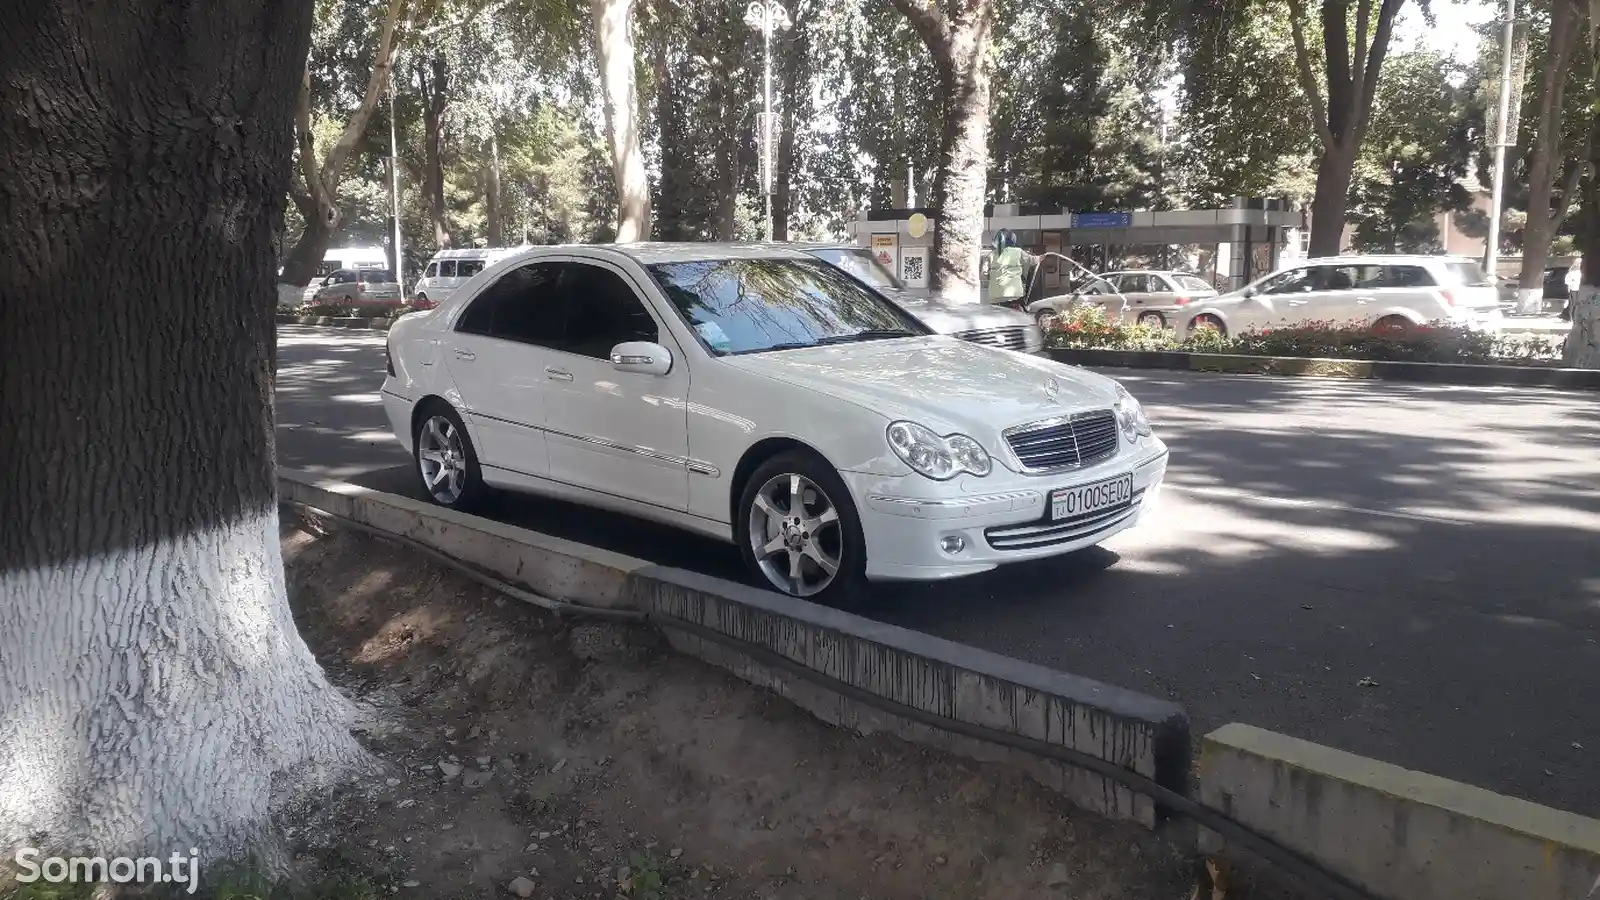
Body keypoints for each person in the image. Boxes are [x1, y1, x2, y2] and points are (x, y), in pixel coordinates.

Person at [987, 230, 1037, 306]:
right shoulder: (1018, 252)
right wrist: (1041, 258)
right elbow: (1031, 260)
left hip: (995, 296)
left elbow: (984, 273)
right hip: (1014, 295)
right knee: (1017, 315)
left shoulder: (991, 254)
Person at [1563, 255, 1583, 322]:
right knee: (1572, 305)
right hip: (1573, 289)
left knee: (1578, 305)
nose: (1580, 265)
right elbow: (1567, 281)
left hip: (1580, 289)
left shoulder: (1582, 272)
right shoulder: (1571, 272)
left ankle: (1576, 318)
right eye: (1579, 263)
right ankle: (1571, 318)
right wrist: (1572, 282)